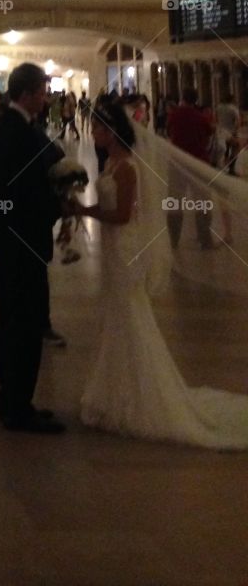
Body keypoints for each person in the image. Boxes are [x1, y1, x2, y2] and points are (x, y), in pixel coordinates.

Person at [73, 99, 248, 448]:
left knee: (129, 316)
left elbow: (123, 215)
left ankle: (139, 396)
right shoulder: (112, 162)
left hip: (123, 247)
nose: (93, 133)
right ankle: (116, 391)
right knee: (118, 315)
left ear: (112, 131)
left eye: (97, 128)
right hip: (113, 249)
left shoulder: (127, 169)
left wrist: (83, 210)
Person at [0, 62, 65, 433]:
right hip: (22, 239)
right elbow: (21, 191)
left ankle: (12, 399)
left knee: (13, 320)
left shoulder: (6, 127)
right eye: (43, 91)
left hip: (9, 238)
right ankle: (18, 408)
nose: (46, 98)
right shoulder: (18, 131)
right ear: (28, 93)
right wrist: (57, 205)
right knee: (24, 324)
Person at [166, 88, 215, 249]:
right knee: (202, 201)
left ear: (183, 98)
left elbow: (169, 132)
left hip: (177, 162)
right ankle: (204, 238)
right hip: (198, 162)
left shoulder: (175, 115)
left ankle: (174, 238)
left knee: (174, 201)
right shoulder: (200, 117)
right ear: (196, 100)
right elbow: (208, 135)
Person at [215, 94, 241, 176]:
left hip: (221, 131)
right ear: (232, 100)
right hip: (230, 131)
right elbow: (238, 121)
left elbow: (216, 118)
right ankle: (231, 167)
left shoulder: (218, 107)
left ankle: (225, 159)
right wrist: (235, 130)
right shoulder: (233, 108)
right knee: (236, 146)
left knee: (226, 146)